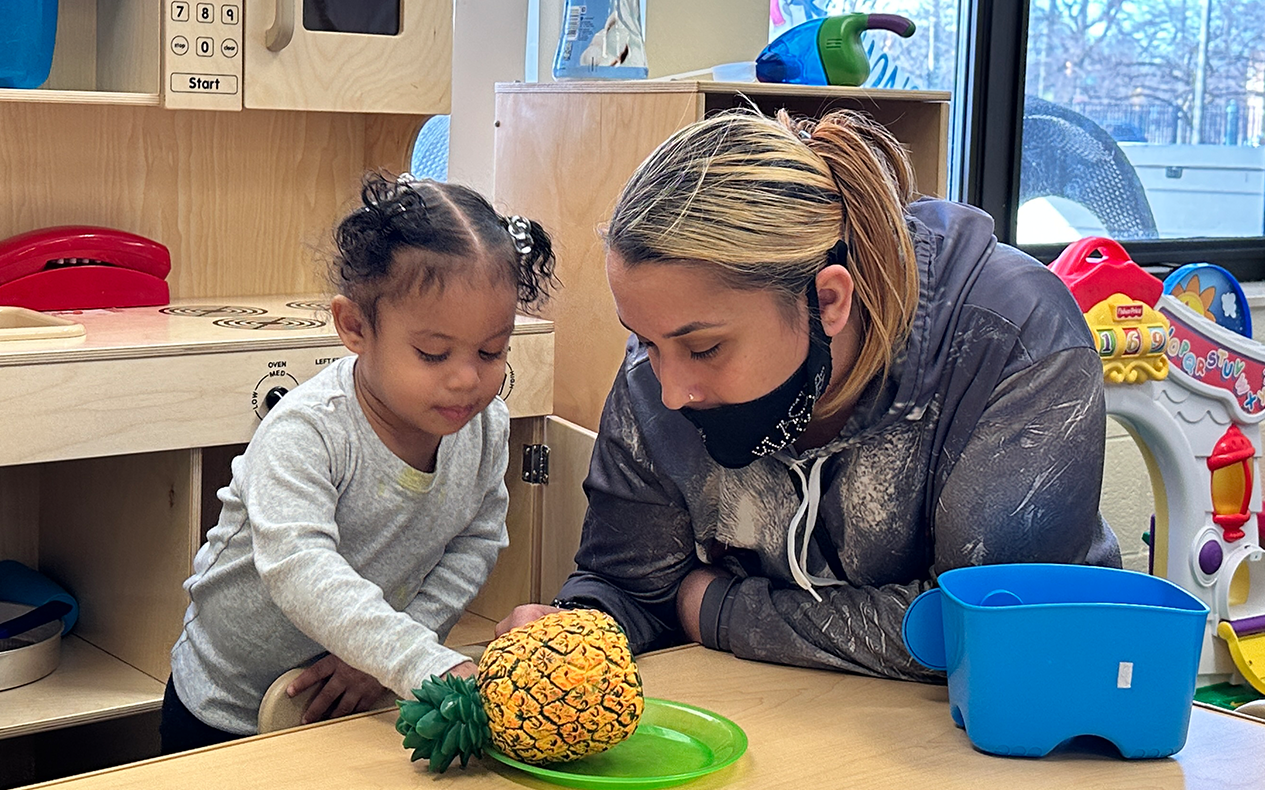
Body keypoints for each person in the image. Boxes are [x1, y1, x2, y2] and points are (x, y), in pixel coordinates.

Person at [499, 109, 1117, 680]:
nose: (671, 391)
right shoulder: (666, 352)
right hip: (780, 717)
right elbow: (634, 588)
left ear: (827, 301)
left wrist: (716, 607)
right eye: (646, 342)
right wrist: (577, 631)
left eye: (705, 349)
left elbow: (984, 632)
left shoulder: (1013, 337)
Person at [163, 174, 556, 752]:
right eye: (433, 353)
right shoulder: (309, 429)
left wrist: (393, 655)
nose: (467, 378)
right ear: (354, 327)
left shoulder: (484, 424)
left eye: (492, 350)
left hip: (362, 691)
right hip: (224, 705)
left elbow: (475, 540)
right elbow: (301, 567)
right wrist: (425, 664)